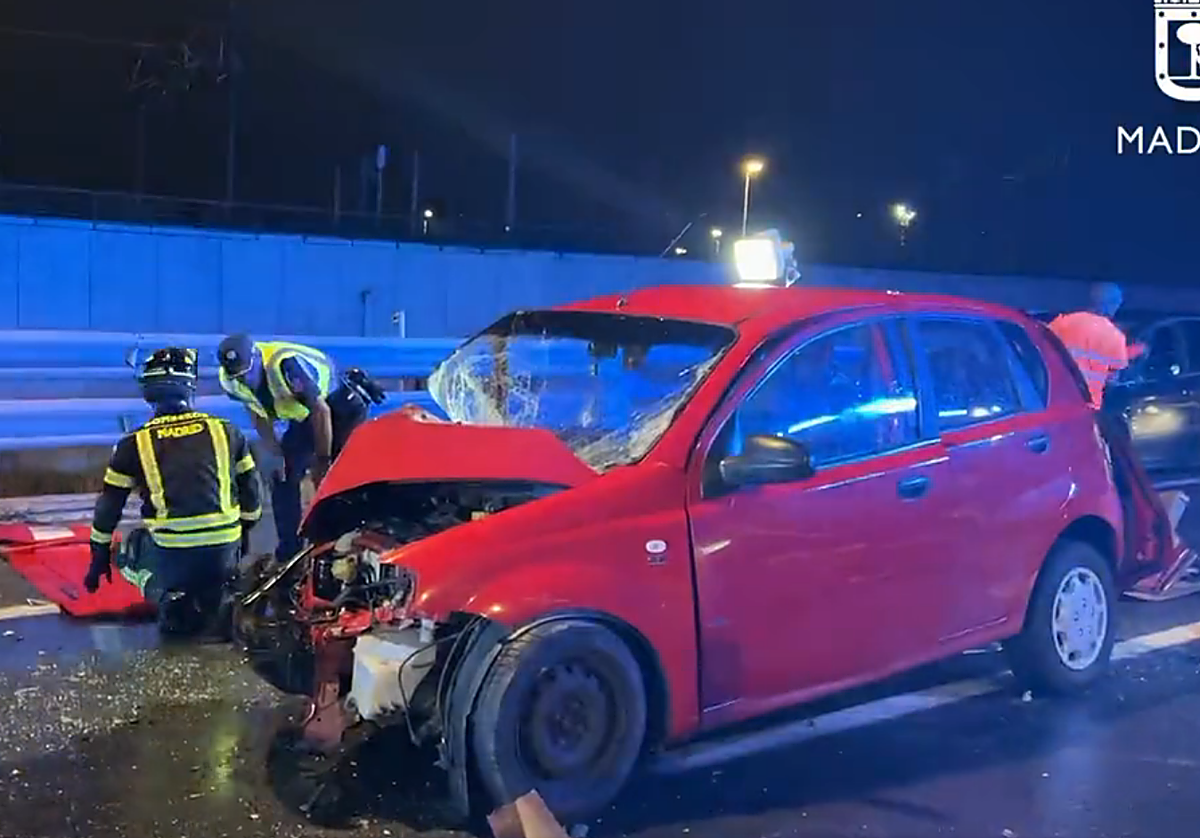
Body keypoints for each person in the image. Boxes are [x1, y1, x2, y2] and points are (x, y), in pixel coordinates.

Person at [85, 347, 263, 638]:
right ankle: (222, 590)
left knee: (131, 546)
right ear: (190, 386)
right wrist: (243, 535)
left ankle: (168, 597)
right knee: (217, 570)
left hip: (174, 554)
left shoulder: (133, 443)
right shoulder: (227, 431)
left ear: (148, 389)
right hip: (224, 547)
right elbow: (252, 493)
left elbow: (109, 506)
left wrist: (99, 558)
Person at [216, 334, 384, 561]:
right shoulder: (230, 380)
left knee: (337, 476)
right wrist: (276, 452)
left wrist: (323, 460)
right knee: (283, 477)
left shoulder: (285, 365)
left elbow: (321, 411)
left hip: (340, 405)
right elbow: (255, 411)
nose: (245, 379)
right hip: (304, 415)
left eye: (248, 373)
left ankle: (342, 541)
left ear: (257, 360)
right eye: (239, 376)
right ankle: (290, 552)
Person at [1047, 282, 1144, 409]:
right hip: (1087, 405)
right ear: (1111, 305)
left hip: (1054, 400)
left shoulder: (1061, 323)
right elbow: (1114, 378)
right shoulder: (1114, 335)